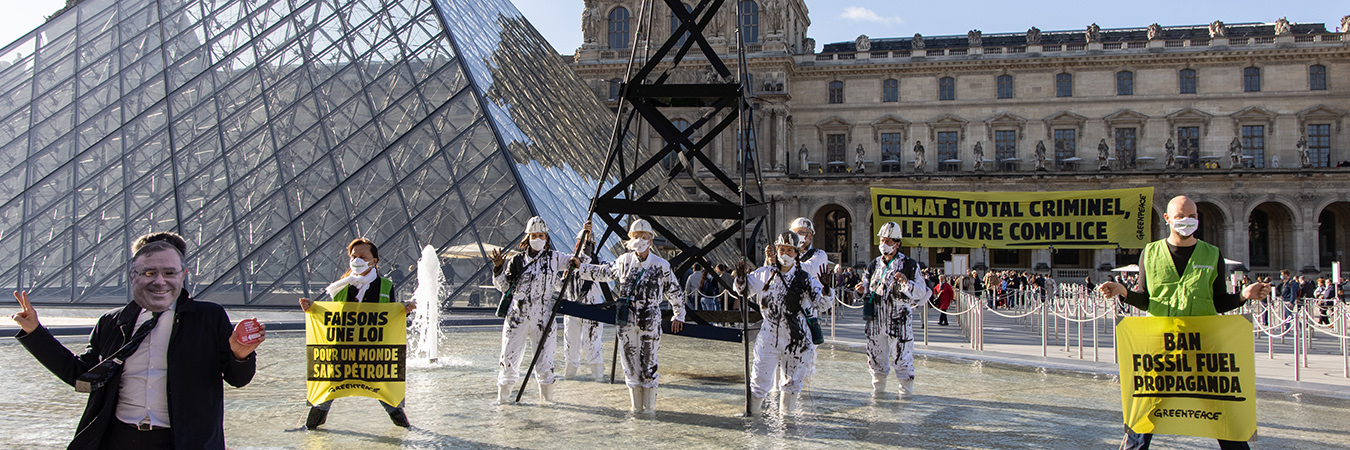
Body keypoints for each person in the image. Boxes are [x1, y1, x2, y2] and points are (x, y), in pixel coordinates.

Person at [12, 232, 263, 450]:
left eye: (168, 271)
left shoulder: (208, 317)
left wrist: (240, 355)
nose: (159, 280)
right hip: (119, 438)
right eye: (149, 271)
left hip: (185, 440)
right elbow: (81, 377)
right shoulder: (112, 322)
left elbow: (237, 379)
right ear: (134, 275)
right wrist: (35, 332)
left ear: (182, 274)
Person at [1098, 196, 1270, 450]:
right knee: (1145, 410)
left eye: (1192, 216)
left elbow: (1219, 302)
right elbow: (1146, 300)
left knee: (1222, 411)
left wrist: (1244, 296)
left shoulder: (1212, 254)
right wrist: (1123, 290)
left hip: (1204, 346)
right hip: (1160, 346)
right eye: (1180, 216)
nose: (1187, 221)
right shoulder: (1150, 252)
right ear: (1167, 219)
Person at [299, 238, 417, 429]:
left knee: (385, 392)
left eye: (362, 256)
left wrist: (404, 310)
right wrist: (311, 309)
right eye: (353, 256)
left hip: (372, 352)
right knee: (327, 392)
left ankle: (406, 430)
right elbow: (331, 315)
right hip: (341, 351)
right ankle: (310, 430)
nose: (356, 260)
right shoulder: (340, 286)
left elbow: (389, 316)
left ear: (374, 260)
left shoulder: (385, 286)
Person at [575, 219, 686, 414]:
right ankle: (636, 411)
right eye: (636, 236)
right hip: (626, 321)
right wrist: (580, 267)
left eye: (644, 236)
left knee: (649, 365)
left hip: (650, 319)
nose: (640, 240)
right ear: (630, 239)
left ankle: (649, 411)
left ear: (650, 240)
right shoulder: (623, 260)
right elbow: (604, 273)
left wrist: (679, 315)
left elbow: (674, 291)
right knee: (629, 364)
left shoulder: (662, 265)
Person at [489, 216, 577, 404]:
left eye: (541, 235)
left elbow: (574, 265)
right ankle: (503, 402)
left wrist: (577, 259)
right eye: (534, 235)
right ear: (527, 237)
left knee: (546, 362)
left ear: (546, 237)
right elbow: (504, 287)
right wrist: (498, 268)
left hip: (544, 317)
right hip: (517, 317)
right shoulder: (516, 261)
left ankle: (547, 403)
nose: (537, 238)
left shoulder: (555, 258)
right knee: (509, 359)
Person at [734, 232, 824, 415]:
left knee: (791, 384)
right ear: (776, 250)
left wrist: (827, 290)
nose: (785, 254)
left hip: (797, 337)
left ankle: (787, 424)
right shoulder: (764, 274)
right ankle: (752, 419)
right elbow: (743, 291)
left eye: (789, 250)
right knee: (759, 379)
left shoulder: (805, 278)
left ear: (796, 253)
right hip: (769, 333)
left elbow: (820, 303)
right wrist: (741, 279)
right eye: (782, 249)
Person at [854, 222, 932, 397]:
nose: (884, 244)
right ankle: (878, 393)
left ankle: (905, 394)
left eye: (888, 240)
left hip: (899, 318)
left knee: (903, 357)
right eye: (882, 240)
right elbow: (866, 286)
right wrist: (860, 290)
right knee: (875, 357)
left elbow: (921, 291)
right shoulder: (874, 264)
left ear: (897, 243)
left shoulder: (909, 264)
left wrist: (906, 283)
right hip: (875, 319)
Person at [563, 229, 607, 380]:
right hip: (572, 308)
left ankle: (598, 379)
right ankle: (569, 379)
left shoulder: (600, 263)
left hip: (592, 309)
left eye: (586, 243)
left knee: (593, 345)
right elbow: (560, 285)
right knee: (570, 346)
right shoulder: (569, 262)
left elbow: (605, 274)